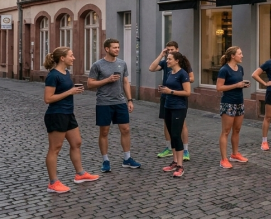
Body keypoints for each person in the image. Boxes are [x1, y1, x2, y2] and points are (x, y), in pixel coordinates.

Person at [44, 47, 100, 193]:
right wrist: (70, 91)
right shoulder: (53, 75)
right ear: (62, 58)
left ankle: (80, 174)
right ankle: (53, 183)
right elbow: (48, 98)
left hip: (68, 113)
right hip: (56, 114)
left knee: (77, 142)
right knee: (55, 148)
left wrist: (73, 90)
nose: (73, 58)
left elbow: (63, 91)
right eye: (71, 55)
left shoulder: (66, 73)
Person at [88, 39, 140, 172]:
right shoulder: (98, 65)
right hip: (104, 103)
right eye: (114, 48)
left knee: (126, 129)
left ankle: (127, 158)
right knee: (104, 132)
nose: (117, 49)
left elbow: (125, 82)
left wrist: (129, 100)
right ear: (107, 49)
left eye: (118, 47)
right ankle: (105, 160)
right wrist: (107, 80)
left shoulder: (122, 63)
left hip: (120, 102)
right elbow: (90, 84)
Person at [149, 41, 194, 161]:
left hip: (178, 98)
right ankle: (169, 148)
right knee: (167, 122)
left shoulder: (182, 65)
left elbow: (191, 79)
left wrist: (179, 82)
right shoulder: (166, 62)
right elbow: (152, 68)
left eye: (172, 50)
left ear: (177, 50)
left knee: (181, 124)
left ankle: (185, 150)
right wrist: (161, 55)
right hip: (166, 96)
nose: (170, 52)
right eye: (168, 50)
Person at [158, 52, 192, 177]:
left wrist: (170, 91)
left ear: (177, 60)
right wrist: (163, 90)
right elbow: (169, 88)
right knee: (172, 135)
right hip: (168, 106)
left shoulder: (183, 74)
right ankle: (174, 161)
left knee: (177, 135)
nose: (167, 61)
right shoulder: (169, 73)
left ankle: (180, 166)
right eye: (167, 58)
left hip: (179, 107)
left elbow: (187, 92)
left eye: (169, 59)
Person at [217, 46, 248, 169]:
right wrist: (236, 85)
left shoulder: (240, 68)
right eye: (240, 53)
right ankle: (223, 159)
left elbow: (237, 85)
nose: (242, 55)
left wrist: (242, 85)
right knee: (226, 131)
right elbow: (219, 87)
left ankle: (235, 154)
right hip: (228, 103)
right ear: (232, 56)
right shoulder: (224, 70)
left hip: (239, 102)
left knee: (237, 130)